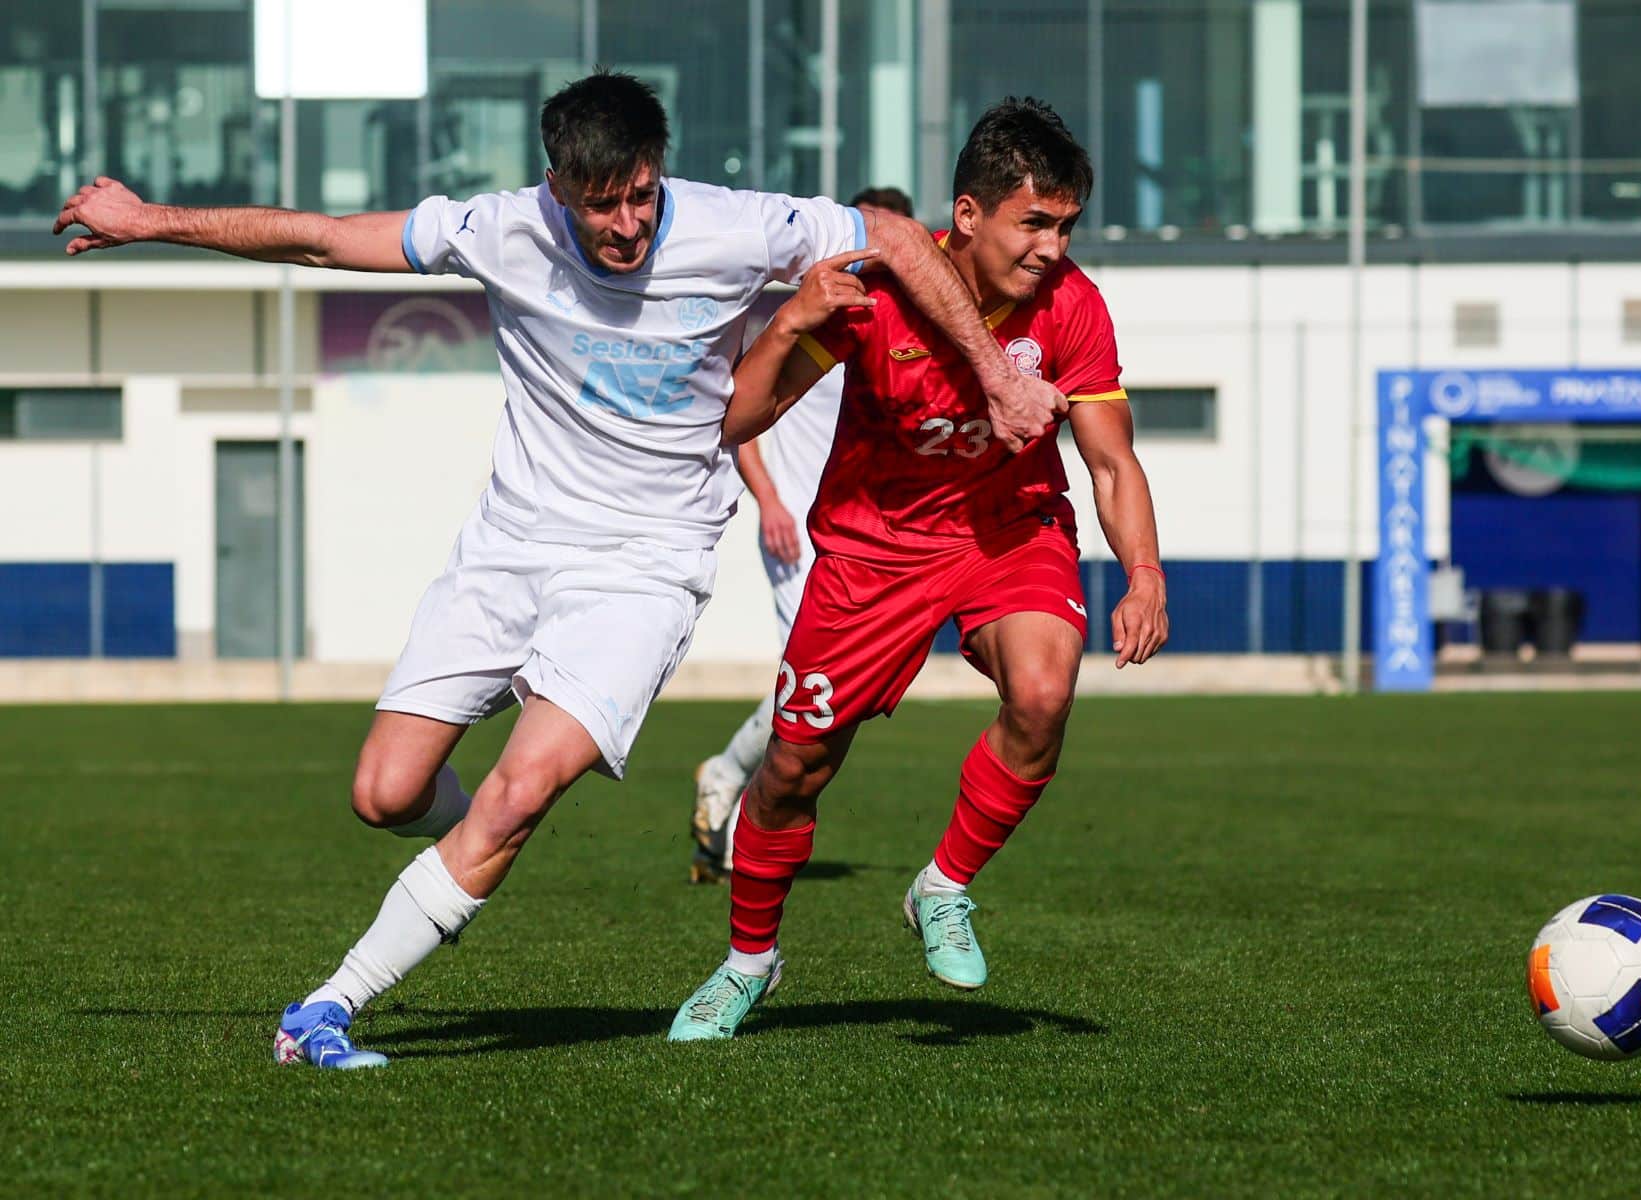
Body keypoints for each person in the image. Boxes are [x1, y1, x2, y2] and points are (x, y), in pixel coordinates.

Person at [54, 71, 1065, 1070]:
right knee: (386, 793)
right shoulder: (501, 229)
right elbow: (322, 237)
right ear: (556, 188)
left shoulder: (736, 226)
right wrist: (149, 220)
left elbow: (894, 236)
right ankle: (467, 853)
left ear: (660, 169)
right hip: (512, 546)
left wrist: (992, 376)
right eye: (599, 204)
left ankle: (327, 1007)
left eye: (641, 197)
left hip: (645, 568)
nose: (627, 225)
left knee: (519, 791)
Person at [668, 98, 1168, 1041]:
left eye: (1067, 226)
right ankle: (747, 963)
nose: (1054, 248)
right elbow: (740, 418)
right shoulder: (877, 292)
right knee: (792, 769)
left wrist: (1143, 573)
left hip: (1009, 532)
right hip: (874, 551)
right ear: (967, 215)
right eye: (1035, 223)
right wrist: (789, 321)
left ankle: (942, 886)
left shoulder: (1075, 306)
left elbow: (1110, 461)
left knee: (1043, 693)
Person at [689, 186, 916, 885]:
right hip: (796, 524)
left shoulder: (903, 323)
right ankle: (744, 825)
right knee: (814, 681)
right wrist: (770, 503)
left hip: (861, 530)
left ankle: (726, 773)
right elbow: (742, 415)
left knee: (840, 687)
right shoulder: (809, 315)